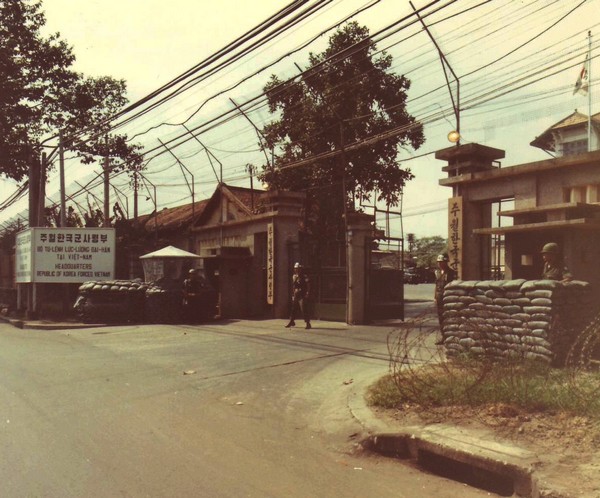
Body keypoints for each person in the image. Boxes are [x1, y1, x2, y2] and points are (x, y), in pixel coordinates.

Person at [434, 254, 457, 340]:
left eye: (442, 262)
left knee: (448, 317)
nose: (440, 264)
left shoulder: (451, 273)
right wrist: (435, 297)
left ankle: (449, 336)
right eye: (439, 262)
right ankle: (443, 336)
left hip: (447, 297)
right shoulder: (438, 272)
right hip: (439, 297)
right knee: (441, 317)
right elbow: (436, 285)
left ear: (446, 262)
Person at [285, 262, 312, 330]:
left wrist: (307, 293)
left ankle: (307, 323)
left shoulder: (304, 276)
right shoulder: (294, 276)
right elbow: (294, 286)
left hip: (302, 294)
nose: (296, 270)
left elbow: (308, 285)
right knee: (293, 309)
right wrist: (293, 294)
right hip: (296, 294)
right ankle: (291, 321)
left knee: (303, 309)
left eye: (297, 268)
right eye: (295, 268)